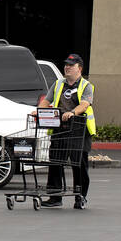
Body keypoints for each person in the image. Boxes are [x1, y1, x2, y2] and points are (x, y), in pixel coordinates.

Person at [36, 53, 95, 209]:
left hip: (79, 130)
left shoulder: (85, 85)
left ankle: (80, 197)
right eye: (66, 64)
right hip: (59, 129)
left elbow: (85, 104)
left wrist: (73, 112)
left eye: (71, 65)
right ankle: (55, 197)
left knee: (79, 165)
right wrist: (37, 111)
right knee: (55, 162)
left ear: (79, 68)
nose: (67, 67)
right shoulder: (58, 84)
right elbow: (46, 102)